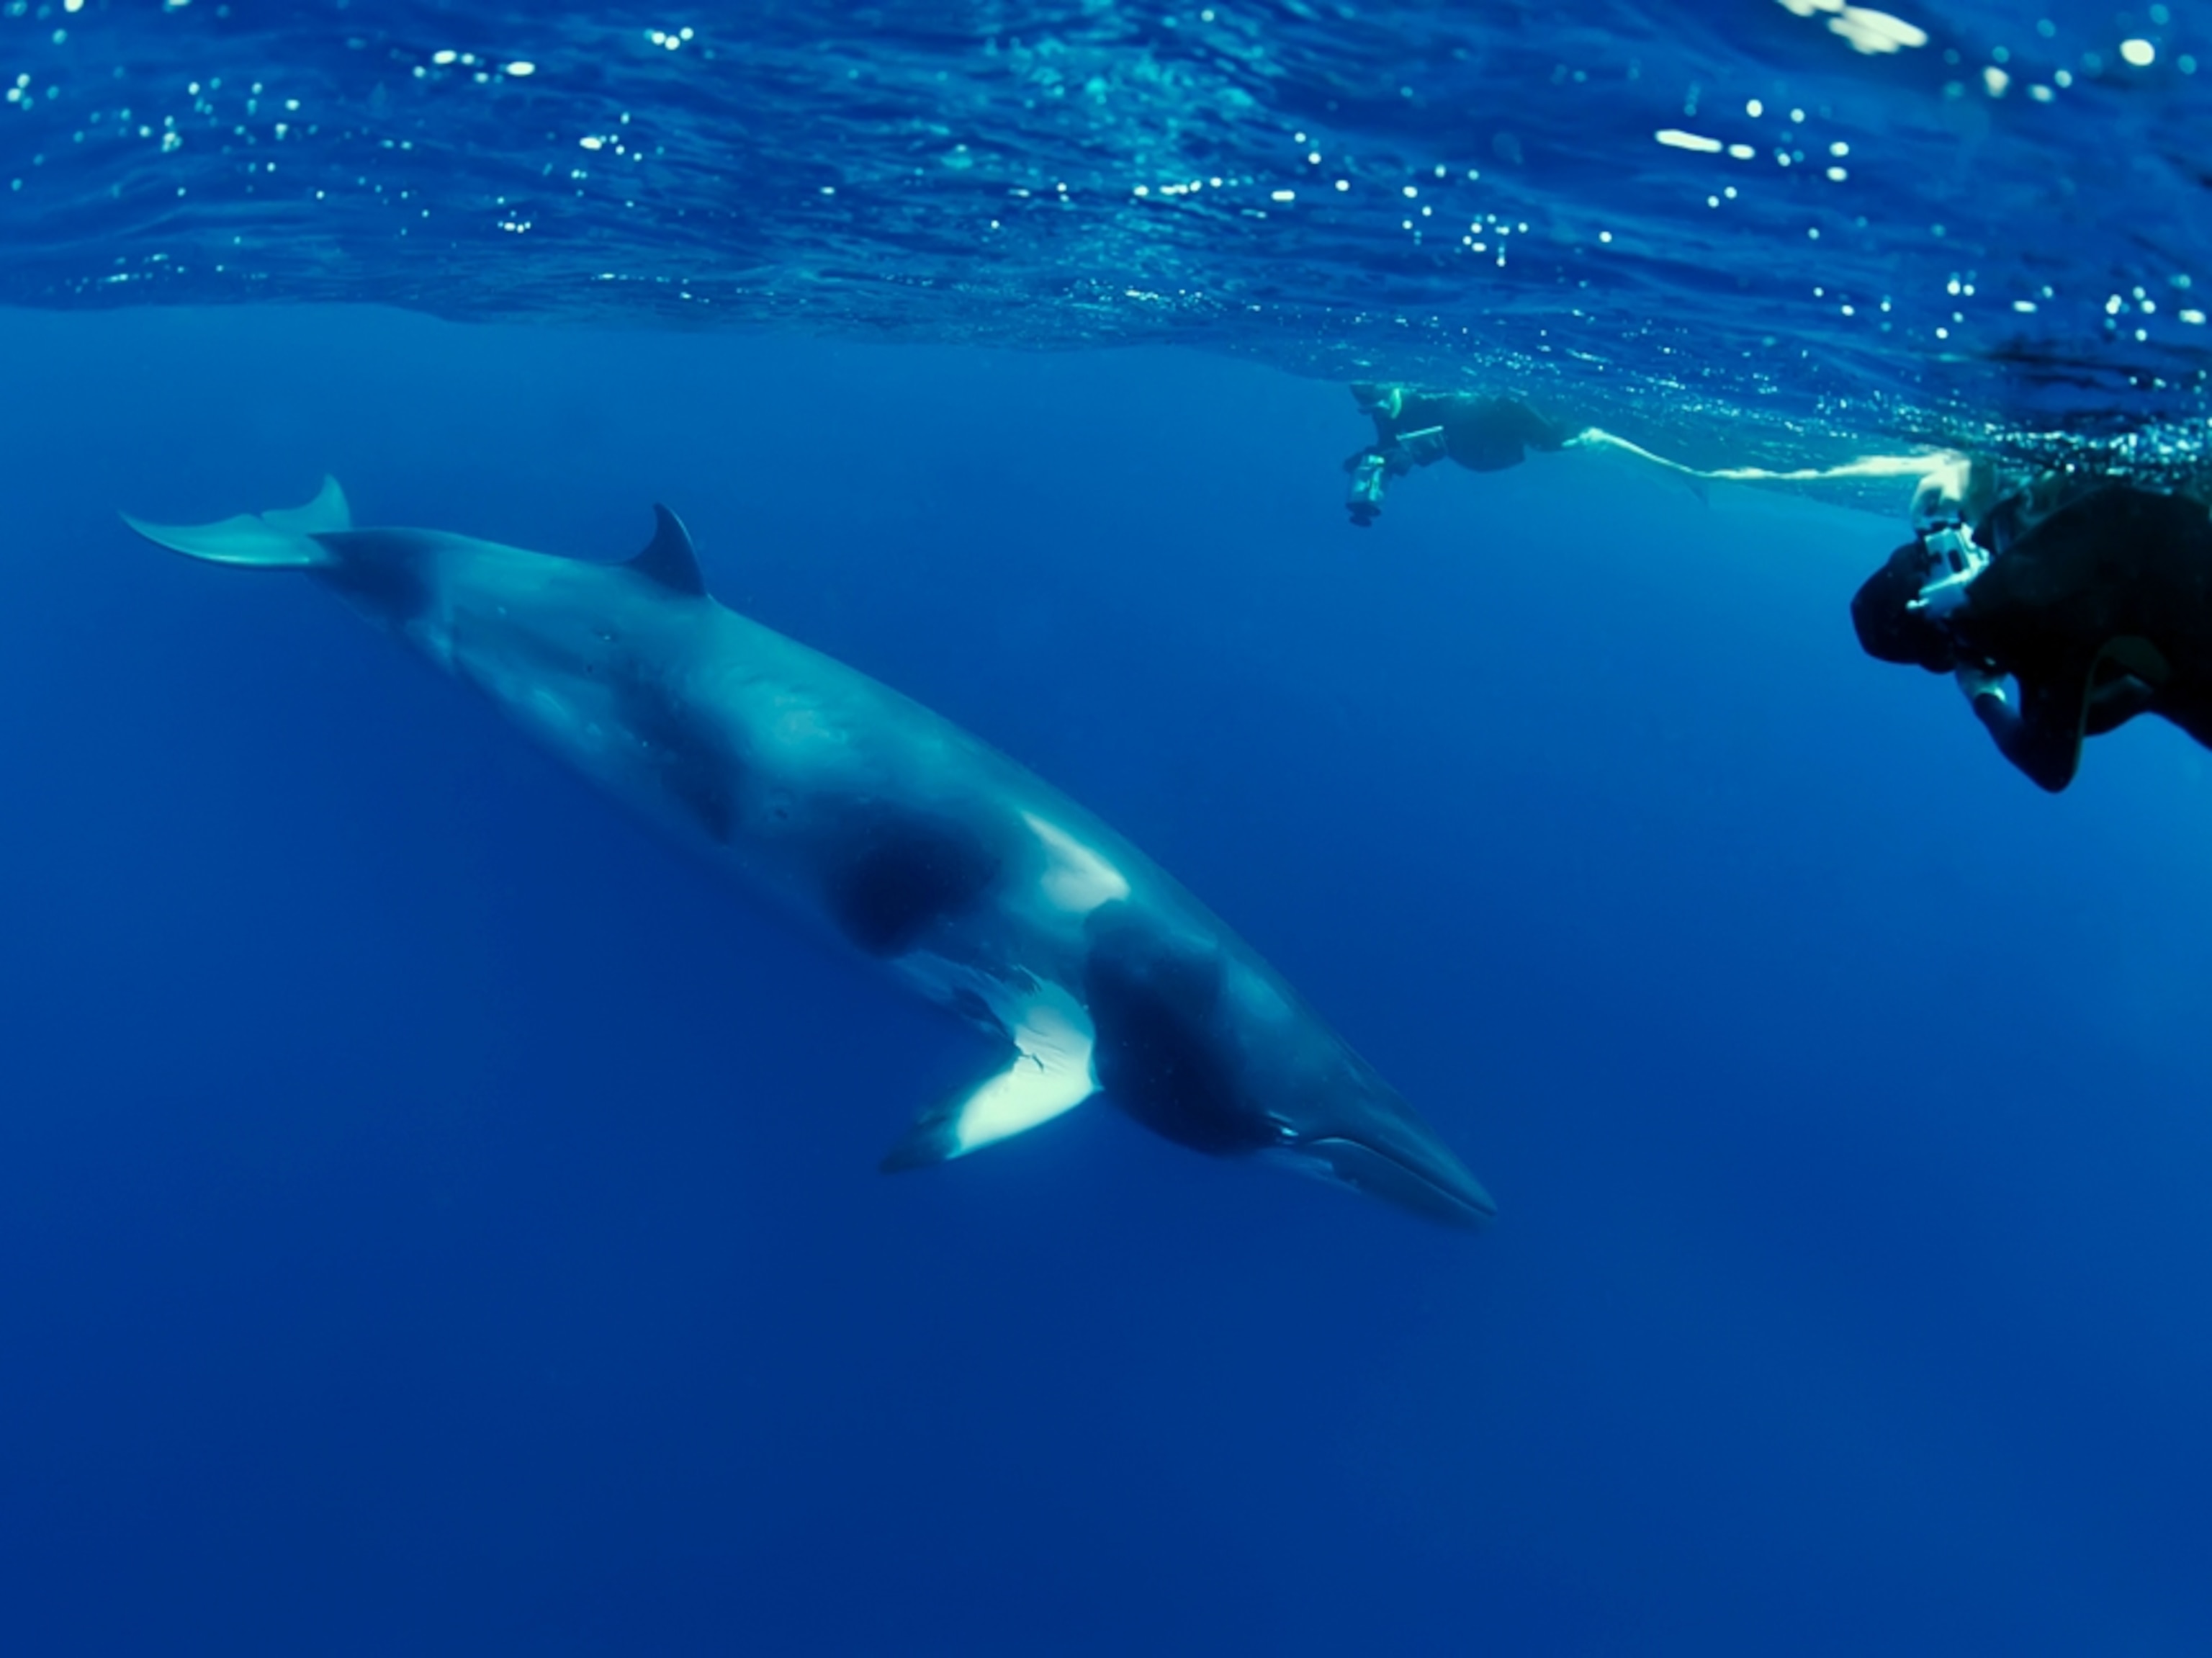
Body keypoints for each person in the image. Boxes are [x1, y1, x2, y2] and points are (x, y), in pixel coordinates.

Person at [1851, 461, 2212, 792]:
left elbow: (2050, 765)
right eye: (1930, 556)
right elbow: (2116, 511)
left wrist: (1984, 697)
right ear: (1934, 602)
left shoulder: (2043, 656)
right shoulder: (2025, 610)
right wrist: (1971, 477)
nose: (1966, 537)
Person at [1342, 383, 1576, 526]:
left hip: (1490, 438)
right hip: (1477, 454)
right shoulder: (1386, 413)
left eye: (1382, 408)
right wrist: (1376, 459)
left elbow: (1456, 426)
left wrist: (1413, 452)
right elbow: (1390, 441)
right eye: (1371, 412)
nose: (1381, 416)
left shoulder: (1433, 398)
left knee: (1553, 439)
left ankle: (1577, 435)